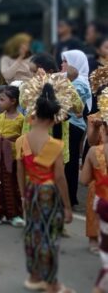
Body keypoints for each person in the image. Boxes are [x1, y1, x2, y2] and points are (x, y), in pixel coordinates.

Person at [16, 75, 74, 293]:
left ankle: (33, 275)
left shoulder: (23, 140)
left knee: (33, 233)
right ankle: (52, 283)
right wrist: (67, 206)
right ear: (53, 118)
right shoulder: (55, 145)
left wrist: (22, 196)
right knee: (50, 237)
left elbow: (19, 171)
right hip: (49, 192)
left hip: (30, 190)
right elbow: (60, 177)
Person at [80, 92, 108, 292]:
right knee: (92, 201)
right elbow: (91, 142)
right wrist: (95, 127)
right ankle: (93, 238)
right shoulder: (95, 117)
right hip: (98, 164)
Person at [0, 85, 25, 227]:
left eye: (2, 100)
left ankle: (15, 215)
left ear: (13, 101)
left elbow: (23, 138)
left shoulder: (22, 119)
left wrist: (8, 138)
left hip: (14, 158)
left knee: (14, 186)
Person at [61, 50, 91, 207]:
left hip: (73, 125)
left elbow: (72, 106)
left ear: (74, 64)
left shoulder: (79, 83)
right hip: (69, 124)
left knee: (70, 162)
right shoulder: (73, 81)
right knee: (67, 161)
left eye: (65, 61)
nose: (62, 64)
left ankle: (70, 197)